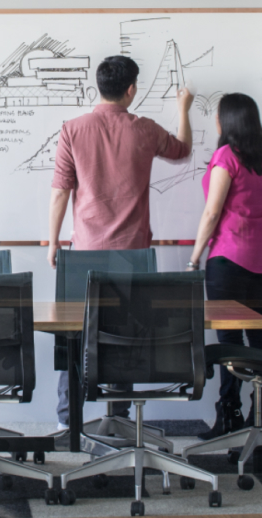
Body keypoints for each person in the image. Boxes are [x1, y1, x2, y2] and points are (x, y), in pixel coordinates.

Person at [47, 54, 194, 429]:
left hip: (85, 256)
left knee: (76, 335)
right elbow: (182, 150)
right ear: (130, 90)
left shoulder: (73, 129)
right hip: (133, 256)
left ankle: (69, 419)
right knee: (127, 334)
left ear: (101, 86)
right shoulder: (144, 129)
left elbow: (61, 191)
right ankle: (120, 414)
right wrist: (183, 107)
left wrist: (52, 242)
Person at [187, 92, 262, 440]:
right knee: (258, 332)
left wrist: (194, 257)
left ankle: (228, 414)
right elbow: (260, 205)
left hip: (229, 257)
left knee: (228, 338)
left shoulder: (226, 156)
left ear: (225, 122)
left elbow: (213, 212)